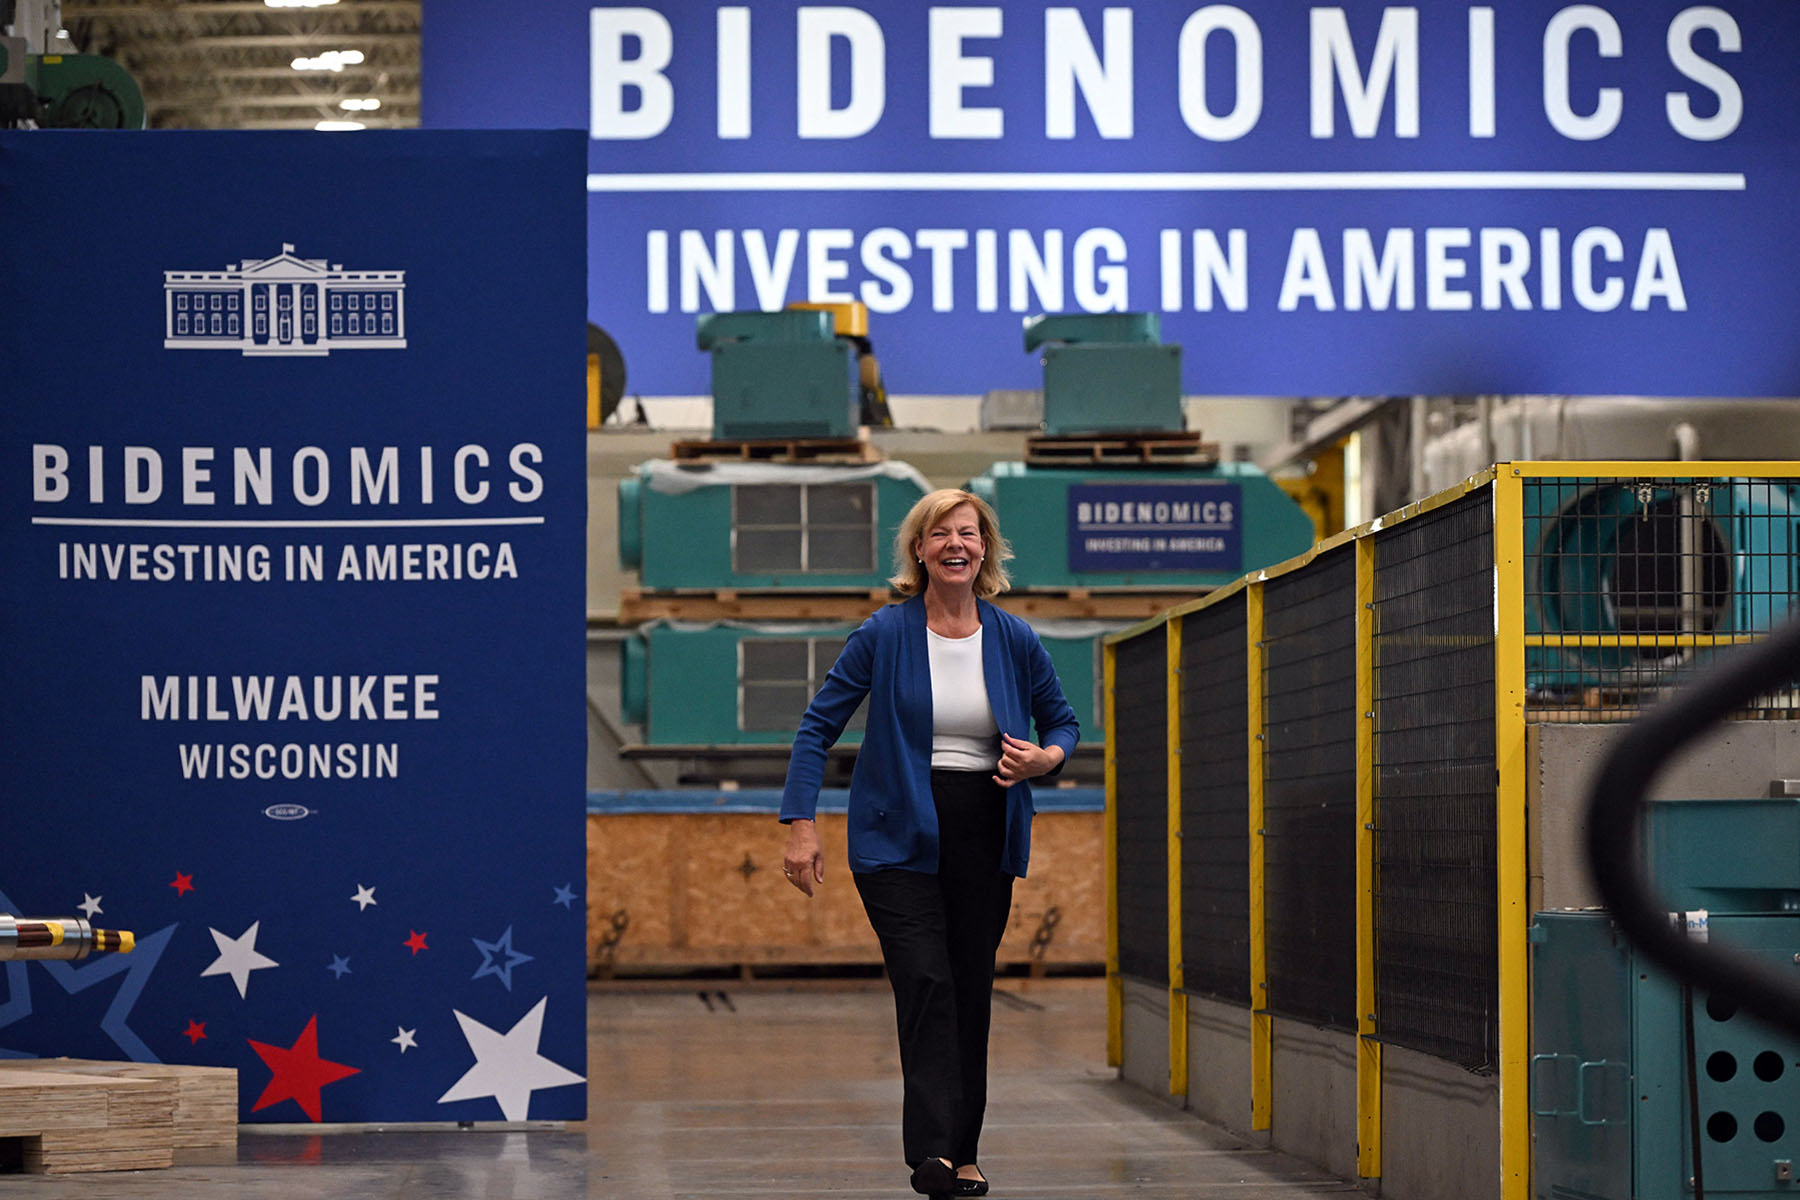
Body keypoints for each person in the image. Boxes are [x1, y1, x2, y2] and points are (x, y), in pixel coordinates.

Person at [779, 488, 1080, 1199]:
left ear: (985, 548)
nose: (955, 544)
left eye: (968, 533)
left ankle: (964, 1150)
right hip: (896, 834)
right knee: (926, 979)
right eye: (940, 533)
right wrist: (801, 823)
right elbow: (816, 728)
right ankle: (931, 1156)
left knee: (971, 989)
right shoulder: (883, 635)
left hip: (986, 829)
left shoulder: (1014, 637)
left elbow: (1064, 724)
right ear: (919, 550)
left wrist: (1046, 758)